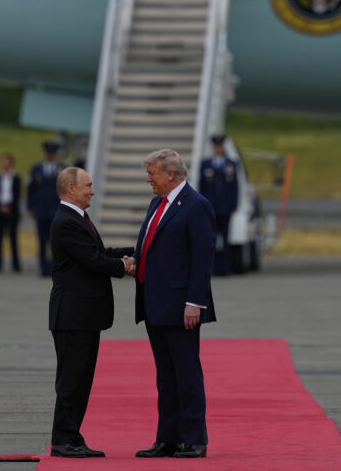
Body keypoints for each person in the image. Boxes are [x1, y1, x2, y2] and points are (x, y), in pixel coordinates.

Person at [132, 149, 217, 459]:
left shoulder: (196, 205)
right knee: (165, 377)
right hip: (155, 304)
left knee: (187, 374)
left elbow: (202, 258)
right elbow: (151, 246)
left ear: (171, 174)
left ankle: (194, 439)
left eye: (152, 173)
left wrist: (195, 302)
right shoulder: (158, 202)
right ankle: (167, 438)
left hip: (182, 307)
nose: (148, 179)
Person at [48, 167, 135, 458]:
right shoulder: (66, 221)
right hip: (73, 316)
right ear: (70, 188)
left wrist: (135, 250)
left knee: (82, 380)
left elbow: (99, 251)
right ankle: (62, 440)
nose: (92, 191)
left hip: (84, 316)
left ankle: (72, 435)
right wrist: (125, 266)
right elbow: (93, 261)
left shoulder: (77, 218)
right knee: (71, 380)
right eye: (87, 186)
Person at [198, 134, 239, 276]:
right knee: (211, 239)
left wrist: (234, 204)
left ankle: (225, 267)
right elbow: (202, 186)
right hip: (211, 207)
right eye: (216, 146)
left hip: (225, 207)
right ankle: (213, 267)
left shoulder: (230, 164)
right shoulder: (206, 164)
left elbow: (235, 186)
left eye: (220, 146)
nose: (218, 149)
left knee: (225, 238)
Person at [27, 141, 64, 276]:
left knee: (56, 241)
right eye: (48, 153)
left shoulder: (62, 169)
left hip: (56, 210)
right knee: (42, 240)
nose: (50, 156)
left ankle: (55, 267)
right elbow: (31, 189)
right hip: (41, 210)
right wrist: (31, 206)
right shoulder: (36, 169)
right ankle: (43, 267)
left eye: (52, 153)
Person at [0, 153, 22, 273]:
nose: (6, 165)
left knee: (13, 238)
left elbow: (18, 194)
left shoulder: (16, 178)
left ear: (11, 164)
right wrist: (0, 206)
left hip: (12, 211)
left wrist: (10, 207)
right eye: (4, 162)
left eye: (8, 163)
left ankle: (16, 265)